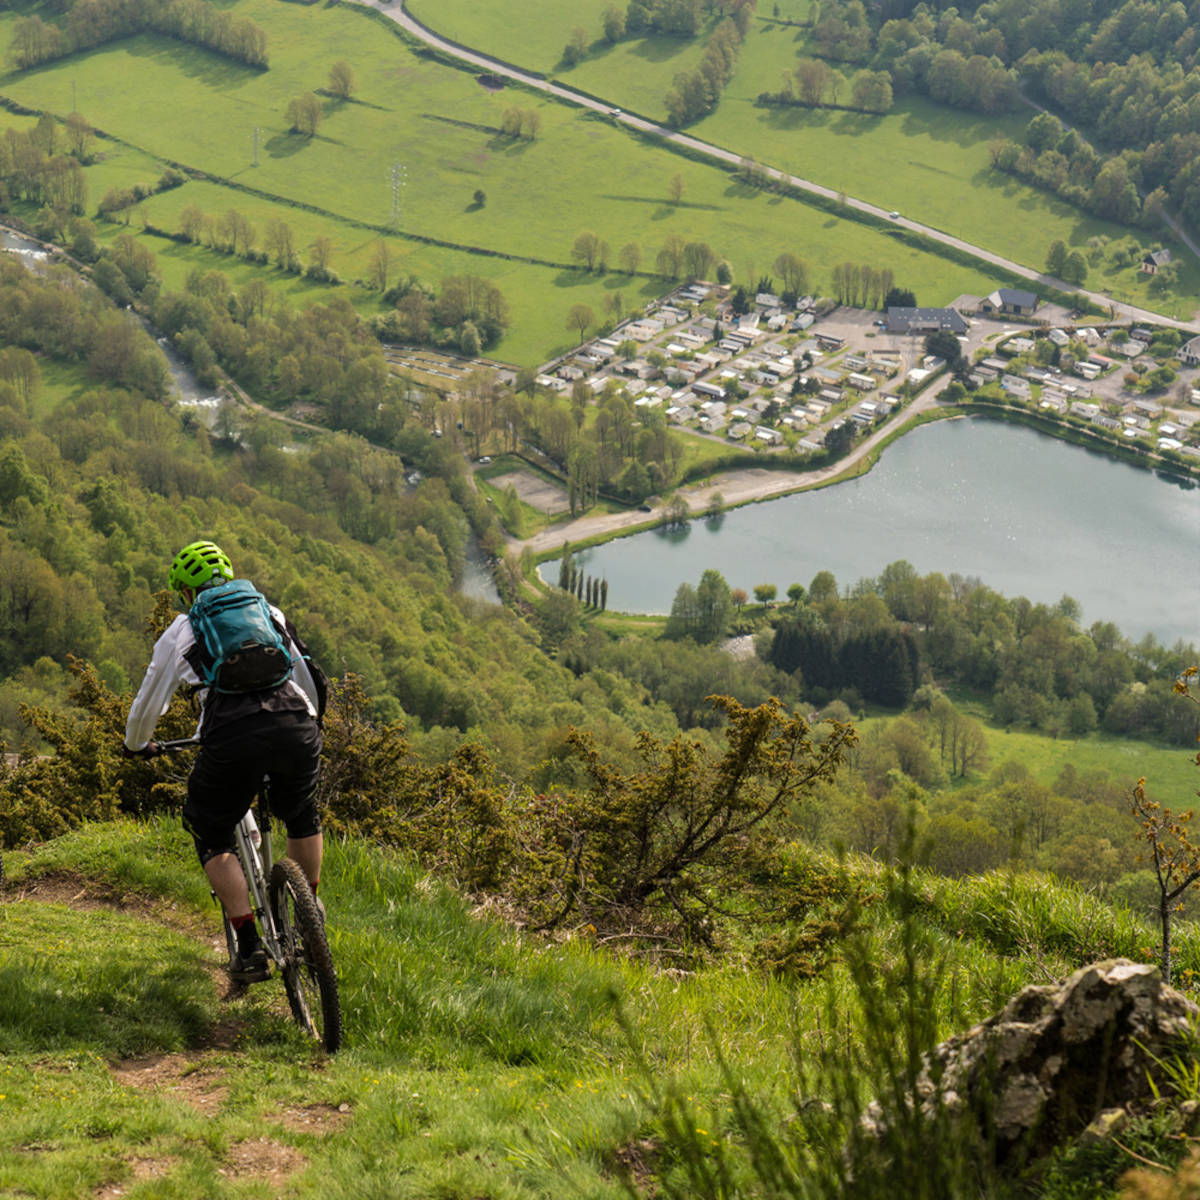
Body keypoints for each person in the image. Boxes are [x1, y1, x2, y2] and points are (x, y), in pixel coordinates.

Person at [124, 540, 326, 982]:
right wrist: (310, 723)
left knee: (212, 829)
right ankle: (309, 913)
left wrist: (137, 744)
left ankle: (250, 944)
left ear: (184, 591)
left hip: (232, 736)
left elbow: (148, 704)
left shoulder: (181, 630)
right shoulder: (267, 612)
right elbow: (309, 675)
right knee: (302, 813)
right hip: (296, 722)